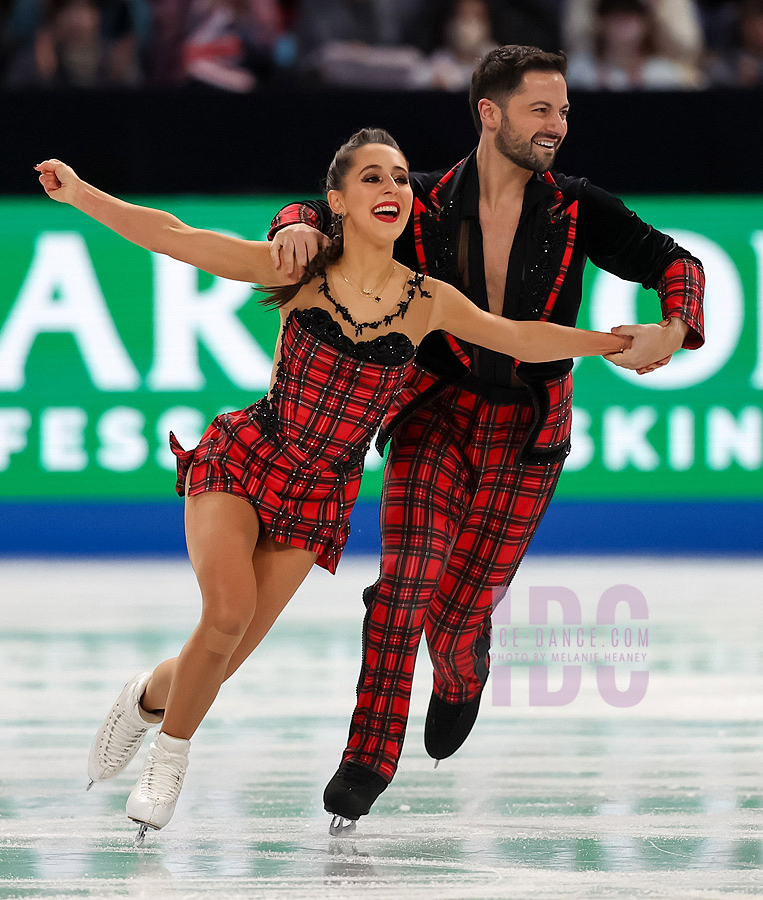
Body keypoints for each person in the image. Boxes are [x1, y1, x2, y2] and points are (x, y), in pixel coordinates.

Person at [34, 127, 630, 843]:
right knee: (224, 616)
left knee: (221, 656)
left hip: (320, 495)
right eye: (373, 178)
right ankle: (170, 756)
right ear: (337, 201)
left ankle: (145, 700)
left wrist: (615, 341)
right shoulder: (300, 270)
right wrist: (80, 194)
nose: (392, 190)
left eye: (402, 179)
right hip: (251, 458)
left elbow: (520, 337)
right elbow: (173, 237)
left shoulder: (428, 300)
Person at [268, 46, 705, 828]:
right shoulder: (423, 200)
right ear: (491, 113)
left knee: (459, 610)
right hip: (435, 413)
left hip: (531, 430)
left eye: (564, 110)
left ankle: (463, 673)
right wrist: (294, 227)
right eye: (542, 110)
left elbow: (677, 262)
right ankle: (368, 756)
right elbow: (320, 208)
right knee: (403, 586)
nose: (557, 126)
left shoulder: (578, 207)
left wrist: (672, 328)